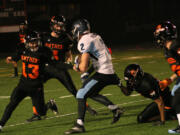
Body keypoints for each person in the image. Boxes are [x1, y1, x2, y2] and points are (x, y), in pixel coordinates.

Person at [64, 19, 124, 134]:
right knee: (90, 92)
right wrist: (84, 66)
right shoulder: (94, 36)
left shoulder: (84, 41)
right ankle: (115, 109)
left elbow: (83, 67)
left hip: (103, 73)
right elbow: (97, 55)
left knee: (81, 94)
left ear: (77, 29)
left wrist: (76, 66)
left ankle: (79, 125)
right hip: (109, 71)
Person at [34, 15, 97, 119]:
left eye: (61, 26)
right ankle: (38, 112)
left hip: (60, 68)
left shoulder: (66, 38)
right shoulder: (44, 37)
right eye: (57, 26)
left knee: (73, 90)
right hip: (46, 68)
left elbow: (68, 54)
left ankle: (87, 108)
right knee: (34, 87)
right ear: (52, 25)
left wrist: (69, 60)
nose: (59, 28)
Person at [0, 31, 59, 132]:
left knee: (41, 113)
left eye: (35, 41)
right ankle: (1, 125)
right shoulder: (23, 49)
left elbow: (54, 64)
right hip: (22, 85)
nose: (34, 44)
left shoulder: (43, 52)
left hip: (36, 87)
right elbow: (17, 56)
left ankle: (50, 104)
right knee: (12, 104)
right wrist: (11, 58)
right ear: (26, 42)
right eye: (31, 42)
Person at [154, 21, 180, 133]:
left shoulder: (175, 46)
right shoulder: (168, 48)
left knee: (176, 101)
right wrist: (170, 80)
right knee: (174, 95)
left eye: (158, 35)